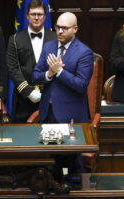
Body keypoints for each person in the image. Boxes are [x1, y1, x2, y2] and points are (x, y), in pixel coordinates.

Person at [32, 12, 93, 178]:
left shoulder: (84, 52)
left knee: (73, 166)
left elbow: (81, 86)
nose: (59, 31)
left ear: (75, 29)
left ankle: (74, 197)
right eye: (57, 27)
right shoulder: (48, 47)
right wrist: (49, 74)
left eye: (64, 28)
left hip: (71, 116)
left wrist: (59, 71)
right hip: (48, 112)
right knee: (51, 163)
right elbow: (35, 76)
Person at [6, 0, 56, 122]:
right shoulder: (15, 39)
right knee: (22, 138)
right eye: (33, 14)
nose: (36, 18)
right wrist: (29, 92)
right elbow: (12, 69)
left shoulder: (55, 38)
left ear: (45, 16)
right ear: (27, 16)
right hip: (23, 100)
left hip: (50, 98)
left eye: (40, 14)